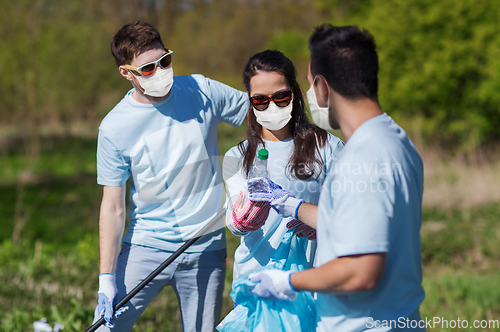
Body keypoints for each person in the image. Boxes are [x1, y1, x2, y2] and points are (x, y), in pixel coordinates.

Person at [247, 25, 426, 331]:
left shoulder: (361, 159)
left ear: (321, 86)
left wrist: (288, 281)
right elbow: (369, 222)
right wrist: (291, 205)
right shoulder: (395, 140)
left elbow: (360, 272)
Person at [93, 20, 249, 331]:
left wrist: (256, 168)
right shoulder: (114, 128)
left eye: (165, 61)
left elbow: (263, 116)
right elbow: (112, 206)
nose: (161, 71)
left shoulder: (202, 90)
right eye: (148, 68)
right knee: (106, 328)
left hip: (206, 246)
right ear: (126, 73)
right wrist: (106, 278)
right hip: (145, 246)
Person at [217, 50, 344, 331]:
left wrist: (320, 224)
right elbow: (234, 226)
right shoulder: (237, 156)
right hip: (258, 281)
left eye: (281, 96)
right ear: (250, 102)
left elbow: (352, 215)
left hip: (315, 282)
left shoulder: (329, 148)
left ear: (295, 95)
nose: (271, 106)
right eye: (260, 100)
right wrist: (244, 217)